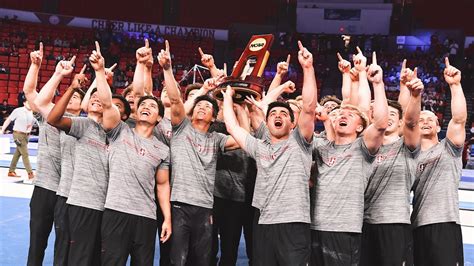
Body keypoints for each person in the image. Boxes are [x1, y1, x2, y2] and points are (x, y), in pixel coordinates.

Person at [223, 40, 317, 266]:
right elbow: (232, 128)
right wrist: (227, 98)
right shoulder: (260, 147)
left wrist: (308, 68)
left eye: (284, 114)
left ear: (293, 123)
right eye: (273, 112)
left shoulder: (300, 143)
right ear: (266, 121)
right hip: (264, 221)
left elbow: (310, 107)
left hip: (294, 222)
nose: (278, 115)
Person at [86, 41, 171, 265]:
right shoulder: (120, 131)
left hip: (146, 217)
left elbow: (162, 186)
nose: (146, 107)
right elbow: (107, 102)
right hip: (116, 211)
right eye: (143, 105)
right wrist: (99, 72)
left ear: (159, 118)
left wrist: (168, 219)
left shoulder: (162, 148)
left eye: (152, 107)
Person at [158, 40, 239, 266]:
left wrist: (236, 102)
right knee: (177, 260)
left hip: (205, 207)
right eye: (199, 106)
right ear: (192, 112)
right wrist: (167, 69)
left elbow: (242, 139)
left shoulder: (216, 138)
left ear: (214, 117)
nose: (203, 108)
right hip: (179, 205)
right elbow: (175, 99)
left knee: (202, 261)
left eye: (208, 107)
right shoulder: (181, 129)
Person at [310, 52, 388, 266]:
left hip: (345, 229)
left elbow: (380, 123)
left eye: (350, 116)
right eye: (340, 115)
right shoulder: (321, 145)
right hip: (315, 226)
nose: (342, 116)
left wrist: (377, 84)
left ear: (361, 127)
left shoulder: (363, 147)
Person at [361, 63, 423, 265]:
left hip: (394, 223)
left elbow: (412, 122)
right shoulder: (362, 147)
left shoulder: (407, 147)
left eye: (393, 115)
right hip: (362, 222)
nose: (387, 118)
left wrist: (414, 95)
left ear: (399, 123)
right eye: (383, 114)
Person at [411, 58, 466, 266]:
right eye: (420, 120)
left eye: (430, 119)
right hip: (416, 225)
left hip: (445, 223)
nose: (424, 121)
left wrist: (455, 85)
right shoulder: (409, 155)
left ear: (438, 126)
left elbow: (459, 120)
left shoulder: (448, 149)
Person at [1, 100, 36, 178]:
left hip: (26, 135)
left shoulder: (32, 112)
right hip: (17, 134)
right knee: (25, 154)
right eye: (28, 103)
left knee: (18, 153)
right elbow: (8, 120)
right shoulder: (18, 110)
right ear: (24, 103)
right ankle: (30, 173)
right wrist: (2, 130)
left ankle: (11, 171)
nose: (30, 104)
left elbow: (32, 123)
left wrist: (29, 129)